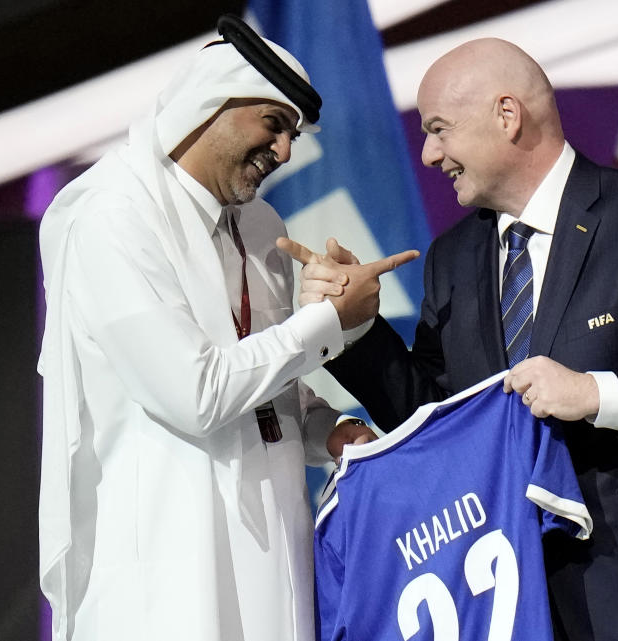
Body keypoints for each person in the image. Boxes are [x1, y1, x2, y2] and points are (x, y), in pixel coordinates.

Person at [283, 38, 618, 641]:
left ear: (506, 116)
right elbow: (435, 419)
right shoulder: (453, 257)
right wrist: (354, 326)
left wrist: (594, 394)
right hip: (512, 601)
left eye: (439, 130)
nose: (430, 155)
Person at [37, 15, 414, 641]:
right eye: (274, 123)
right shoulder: (112, 218)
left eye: (294, 133)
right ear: (210, 104)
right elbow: (195, 394)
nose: (286, 151)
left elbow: (264, 385)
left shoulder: (262, 226)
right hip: (165, 576)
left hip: (274, 558)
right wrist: (325, 322)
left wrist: (330, 431)